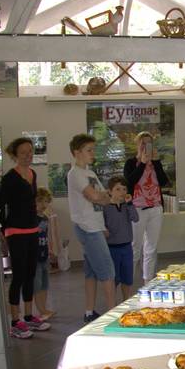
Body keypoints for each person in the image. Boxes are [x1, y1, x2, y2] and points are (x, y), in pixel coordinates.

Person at [0, 137, 51, 339]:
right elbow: (0, 205)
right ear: (15, 156)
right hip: (15, 231)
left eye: (30, 151)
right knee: (18, 276)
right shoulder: (10, 178)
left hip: (31, 230)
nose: (28, 155)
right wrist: (3, 231)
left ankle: (29, 316)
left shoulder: (32, 174)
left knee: (30, 274)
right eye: (23, 153)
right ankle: (15, 321)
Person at [67, 133, 113, 323]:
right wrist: (101, 195)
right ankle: (113, 314)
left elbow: (105, 200)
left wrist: (101, 196)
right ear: (76, 152)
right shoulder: (75, 174)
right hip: (88, 228)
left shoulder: (90, 174)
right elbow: (95, 197)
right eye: (89, 150)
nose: (93, 153)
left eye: (93, 150)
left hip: (95, 225)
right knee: (107, 271)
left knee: (92, 271)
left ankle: (89, 310)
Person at [124, 131, 170, 283]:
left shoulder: (156, 163)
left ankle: (148, 282)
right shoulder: (131, 163)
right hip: (137, 209)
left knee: (151, 248)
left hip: (155, 208)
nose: (146, 146)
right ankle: (128, 283)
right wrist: (143, 163)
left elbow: (164, 182)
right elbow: (129, 182)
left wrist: (155, 162)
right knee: (135, 247)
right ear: (137, 145)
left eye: (149, 143)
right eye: (143, 143)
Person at [102, 176, 139, 302]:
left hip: (127, 247)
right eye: (118, 189)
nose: (122, 192)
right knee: (114, 278)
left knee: (127, 277)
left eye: (124, 189)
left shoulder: (126, 206)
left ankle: (126, 300)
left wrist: (130, 204)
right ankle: (112, 302)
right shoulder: (105, 207)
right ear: (110, 191)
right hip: (112, 248)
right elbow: (102, 224)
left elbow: (135, 218)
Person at [33, 188, 57, 320]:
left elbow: (47, 236)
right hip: (34, 256)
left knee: (44, 284)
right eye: (40, 201)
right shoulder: (31, 218)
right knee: (36, 284)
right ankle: (40, 309)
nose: (43, 205)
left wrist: (50, 250)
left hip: (44, 254)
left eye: (46, 202)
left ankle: (44, 308)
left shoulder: (45, 218)